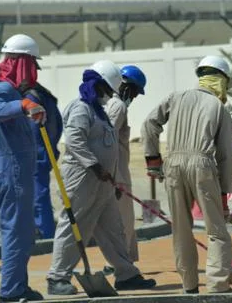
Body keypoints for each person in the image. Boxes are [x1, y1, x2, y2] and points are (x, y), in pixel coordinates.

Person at [46, 60, 156, 295]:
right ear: (101, 85)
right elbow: (74, 140)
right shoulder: (81, 108)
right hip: (82, 177)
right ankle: (57, 277)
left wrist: (113, 179)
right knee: (73, 227)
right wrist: (95, 166)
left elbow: (109, 146)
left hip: (104, 181)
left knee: (112, 228)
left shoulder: (99, 110)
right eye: (109, 88)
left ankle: (127, 275)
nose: (111, 94)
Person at [141, 55, 232, 294]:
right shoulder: (219, 108)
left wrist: (153, 161)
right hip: (203, 166)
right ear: (221, 80)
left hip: (173, 165)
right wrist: (225, 198)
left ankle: (189, 286)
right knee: (217, 232)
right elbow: (225, 156)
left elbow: (148, 124)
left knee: (182, 230)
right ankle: (217, 285)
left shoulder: (176, 97)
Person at [0, 34, 45, 302]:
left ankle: (19, 286)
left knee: (21, 233)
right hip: (11, 172)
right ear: (22, 63)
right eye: (33, 66)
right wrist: (23, 104)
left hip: (6, 171)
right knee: (16, 234)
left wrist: (31, 115)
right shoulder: (4, 90)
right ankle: (10, 293)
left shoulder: (8, 90)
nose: (34, 74)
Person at [103, 65, 147, 265]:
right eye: (136, 92)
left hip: (118, 171)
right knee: (124, 221)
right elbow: (108, 140)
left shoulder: (111, 105)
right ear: (127, 87)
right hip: (117, 174)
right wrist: (113, 177)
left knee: (122, 220)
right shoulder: (118, 106)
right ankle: (121, 263)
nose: (135, 97)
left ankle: (124, 260)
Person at [24, 83, 63, 239]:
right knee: (40, 196)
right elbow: (58, 126)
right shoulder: (45, 95)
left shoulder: (31, 97)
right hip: (45, 153)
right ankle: (43, 233)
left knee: (38, 199)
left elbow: (33, 131)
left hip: (35, 156)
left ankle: (45, 236)